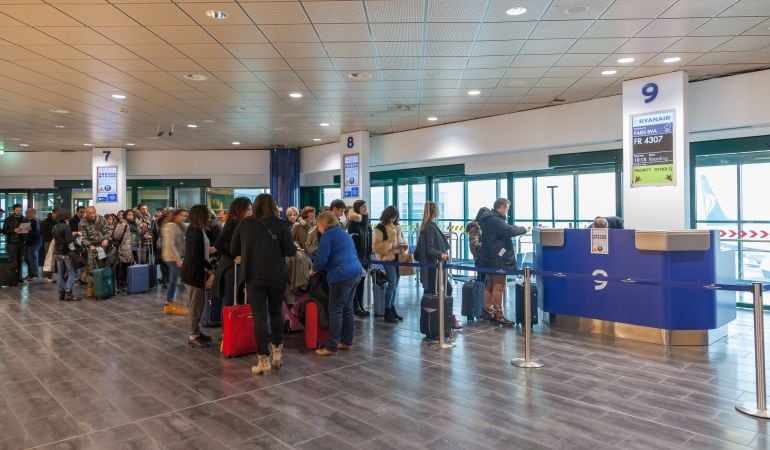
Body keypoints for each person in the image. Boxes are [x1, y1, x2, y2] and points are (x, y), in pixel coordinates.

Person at [230, 194, 296, 375]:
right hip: (277, 275)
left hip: (254, 276)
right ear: (274, 206)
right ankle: (277, 355)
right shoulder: (282, 225)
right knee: (276, 313)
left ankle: (263, 362)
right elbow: (291, 251)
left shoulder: (244, 224)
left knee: (259, 317)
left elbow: (232, 249)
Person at [311, 211, 363, 356]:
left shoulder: (327, 235)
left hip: (341, 275)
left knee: (335, 310)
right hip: (356, 272)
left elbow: (322, 259)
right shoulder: (342, 232)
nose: (318, 229)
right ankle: (346, 341)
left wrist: (313, 269)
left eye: (318, 225)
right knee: (347, 308)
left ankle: (331, 346)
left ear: (323, 224)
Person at [477, 198, 527, 325]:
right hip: (497, 259)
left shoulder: (487, 219)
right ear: (502, 207)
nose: (507, 212)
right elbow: (510, 231)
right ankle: (498, 315)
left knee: (490, 285)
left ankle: (488, 311)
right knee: (498, 287)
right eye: (507, 209)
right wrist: (523, 229)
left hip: (488, 257)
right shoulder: (495, 220)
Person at [181, 205, 216, 348]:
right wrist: (210, 268)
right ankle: (193, 335)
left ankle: (196, 332)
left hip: (194, 272)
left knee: (198, 304)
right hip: (193, 273)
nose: (210, 216)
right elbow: (196, 256)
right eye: (207, 214)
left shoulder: (196, 229)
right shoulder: (195, 231)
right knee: (195, 306)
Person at [372, 206, 408, 323]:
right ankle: (387, 310)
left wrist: (403, 246)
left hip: (398, 258)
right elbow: (376, 246)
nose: (394, 218)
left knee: (395, 285)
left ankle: (391, 308)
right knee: (392, 284)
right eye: (392, 216)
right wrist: (391, 246)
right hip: (387, 259)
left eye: (396, 216)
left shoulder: (397, 226)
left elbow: (402, 239)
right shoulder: (380, 227)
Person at [214, 197, 251, 308]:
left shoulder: (240, 222)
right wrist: (234, 256)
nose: (250, 212)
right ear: (240, 210)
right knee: (229, 298)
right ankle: (227, 324)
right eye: (248, 210)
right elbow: (218, 243)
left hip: (234, 265)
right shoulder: (232, 223)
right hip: (231, 266)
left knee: (233, 297)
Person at [79, 206, 111, 300]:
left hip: (102, 246)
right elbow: (82, 238)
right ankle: (91, 290)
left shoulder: (101, 219)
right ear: (86, 213)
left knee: (101, 267)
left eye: (93, 212)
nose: (92, 214)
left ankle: (101, 288)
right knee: (90, 268)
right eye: (90, 213)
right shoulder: (82, 223)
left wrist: (106, 239)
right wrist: (89, 245)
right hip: (90, 247)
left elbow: (108, 231)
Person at [346, 200, 371, 317]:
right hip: (357, 258)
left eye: (366, 206)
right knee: (356, 283)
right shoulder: (352, 224)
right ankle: (355, 306)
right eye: (363, 207)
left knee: (362, 283)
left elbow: (369, 240)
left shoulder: (366, 222)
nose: (365, 208)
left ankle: (360, 305)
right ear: (357, 208)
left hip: (365, 257)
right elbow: (352, 243)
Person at [162, 208, 188, 312]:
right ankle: (168, 303)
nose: (183, 217)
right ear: (175, 215)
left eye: (185, 216)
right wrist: (177, 259)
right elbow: (170, 244)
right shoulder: (170, 226)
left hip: (178, 256)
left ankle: (172, 302)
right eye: (182, 215)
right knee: (174, 280)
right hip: (172, 257)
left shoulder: (180, 226)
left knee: (178, 280)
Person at [52, 209, 81, 302]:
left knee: (60, 273)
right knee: (72, 273)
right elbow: (69, 241)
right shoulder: (66, 227)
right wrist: (76, 235)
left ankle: (61, 293)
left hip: (57, 253)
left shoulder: (55, 227)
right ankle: (69, 293)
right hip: (66, 253)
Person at [2, 204, 28, 284]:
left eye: (20, 210)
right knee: (14, 261)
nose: (19, 212)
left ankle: (19, 278)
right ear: (13, 210)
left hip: (22, 242)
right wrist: (13, 230)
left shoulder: (24, 219)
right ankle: (13, 280)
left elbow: (26, 230)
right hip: (12, 243)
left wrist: (28, 230)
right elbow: (4, 231)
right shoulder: (8, 219)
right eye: (17, 210)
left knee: (20, 261)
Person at [110, 211, 134, 292]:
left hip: (133, 247)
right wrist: (122, 227)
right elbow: (116, 236)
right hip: (124, 248)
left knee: (129, 266)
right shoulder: (122, 224)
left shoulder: (134, 224)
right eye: (129, 214)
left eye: (132, 215)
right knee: (122, 266)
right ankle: (121, 284)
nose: (131, 216)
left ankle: (127, 283)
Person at [466, 207, 487, 283]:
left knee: (484, 280)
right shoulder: (475, 227)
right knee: (482, 280)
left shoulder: (483, 225)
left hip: (484, 257)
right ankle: (480, 294)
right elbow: (474, 244)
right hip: (480, 257)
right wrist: (486, 245)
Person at [23, 208, 42, 281]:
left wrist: (28, 233)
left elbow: (36, 233)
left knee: (32, 258)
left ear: (32, 213)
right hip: (28, 243)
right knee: (27, 258)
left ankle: (35, 274)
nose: (26, 213)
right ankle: (30, 274)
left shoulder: (35, 221)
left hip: (33, 243)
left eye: (27, 212)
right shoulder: (27, 221)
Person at [41, 209, 59, 282]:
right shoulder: (47, 222)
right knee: (49, 258)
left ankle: (51, 275)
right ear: (53, 213)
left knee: (52, 258)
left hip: (54, 241)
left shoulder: (56, 221)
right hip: (48, 241)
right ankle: (47, 275)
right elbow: (43, 232)